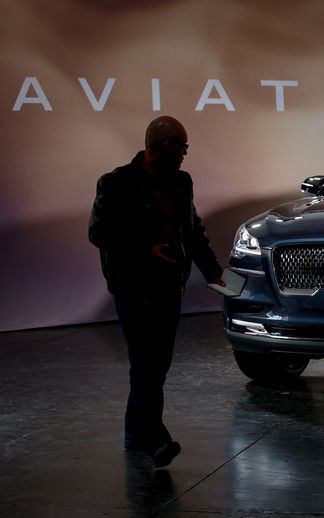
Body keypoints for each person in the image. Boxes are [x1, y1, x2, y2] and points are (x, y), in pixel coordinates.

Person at [89, 116, 225, 468]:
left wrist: (214, 272)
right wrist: (144, 249)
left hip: (169, 285)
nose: (185, 155)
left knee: (156, 366)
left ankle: (135, 434)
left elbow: (193, 231)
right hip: (133, 286)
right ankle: (155, 439)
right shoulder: (115, 182)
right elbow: (99, 233)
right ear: (166, 146)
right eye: (183, 146)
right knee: (144, 364)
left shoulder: (181, 182)